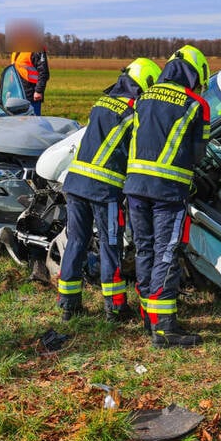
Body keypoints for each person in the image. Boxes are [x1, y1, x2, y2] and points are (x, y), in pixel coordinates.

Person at [57, 57, 162, 322]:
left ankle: (68, 305)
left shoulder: (101, 102)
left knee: (77, 242)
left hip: (76, 182)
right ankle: (114, 308)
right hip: (104, 189)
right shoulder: (133, 112)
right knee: (110, 244)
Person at [123, 45, 210, 348]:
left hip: (134, 187)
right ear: (195, 74)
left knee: (145, 250)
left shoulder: (142, 98)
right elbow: (199, 154)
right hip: (168, 190)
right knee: (167, 252)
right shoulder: (196, 103)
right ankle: (166, 329)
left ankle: (150, 318)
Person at [7, 20, 50, 115]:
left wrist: (38, 91)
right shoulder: (16, 51)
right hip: (17, 93)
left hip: (32, 94)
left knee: (34, 121)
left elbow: (44, 72)